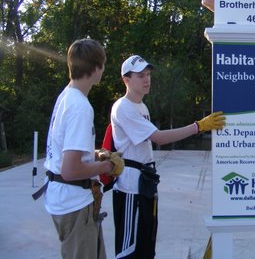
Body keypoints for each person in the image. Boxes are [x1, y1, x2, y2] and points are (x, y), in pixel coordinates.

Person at [111, 55, 226, 258]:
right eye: (140, 76)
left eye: (148, 75)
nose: (147, 79)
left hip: (144, 184)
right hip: (130, 188)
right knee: (129, 250)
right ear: (126, 80)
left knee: (146, 243)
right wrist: (198, 126)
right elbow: (159, 138)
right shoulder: (124, 107)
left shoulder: (141, 107)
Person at [38, 39, 124, 259]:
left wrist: (95, 154)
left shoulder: (66, 96)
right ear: (96, 69)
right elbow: (70, 170)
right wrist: (107, 165)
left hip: (63, 198)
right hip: (74, 203)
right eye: (103, 65)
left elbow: (64, 151)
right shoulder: (80, 107)